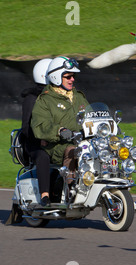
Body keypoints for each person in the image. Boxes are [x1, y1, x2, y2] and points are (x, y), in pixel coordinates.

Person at [31, 56, 88, 186]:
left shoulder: (79, 97)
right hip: (57, 145)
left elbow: (90, 115)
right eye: (68, 76)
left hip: (80, 141)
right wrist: (59, 131)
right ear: (56, 76)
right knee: (73, 151)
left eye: (73, 76)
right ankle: (71, 188)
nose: (72, 79)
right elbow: (40, 126)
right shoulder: (45, 100)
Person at [21, 58, 53, 207]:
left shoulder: (58, 96)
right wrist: (41, 138)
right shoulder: (32, 98)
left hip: (55, 140)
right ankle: (44, 194)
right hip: (34, 143)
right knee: (43, 156)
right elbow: (26, 128)